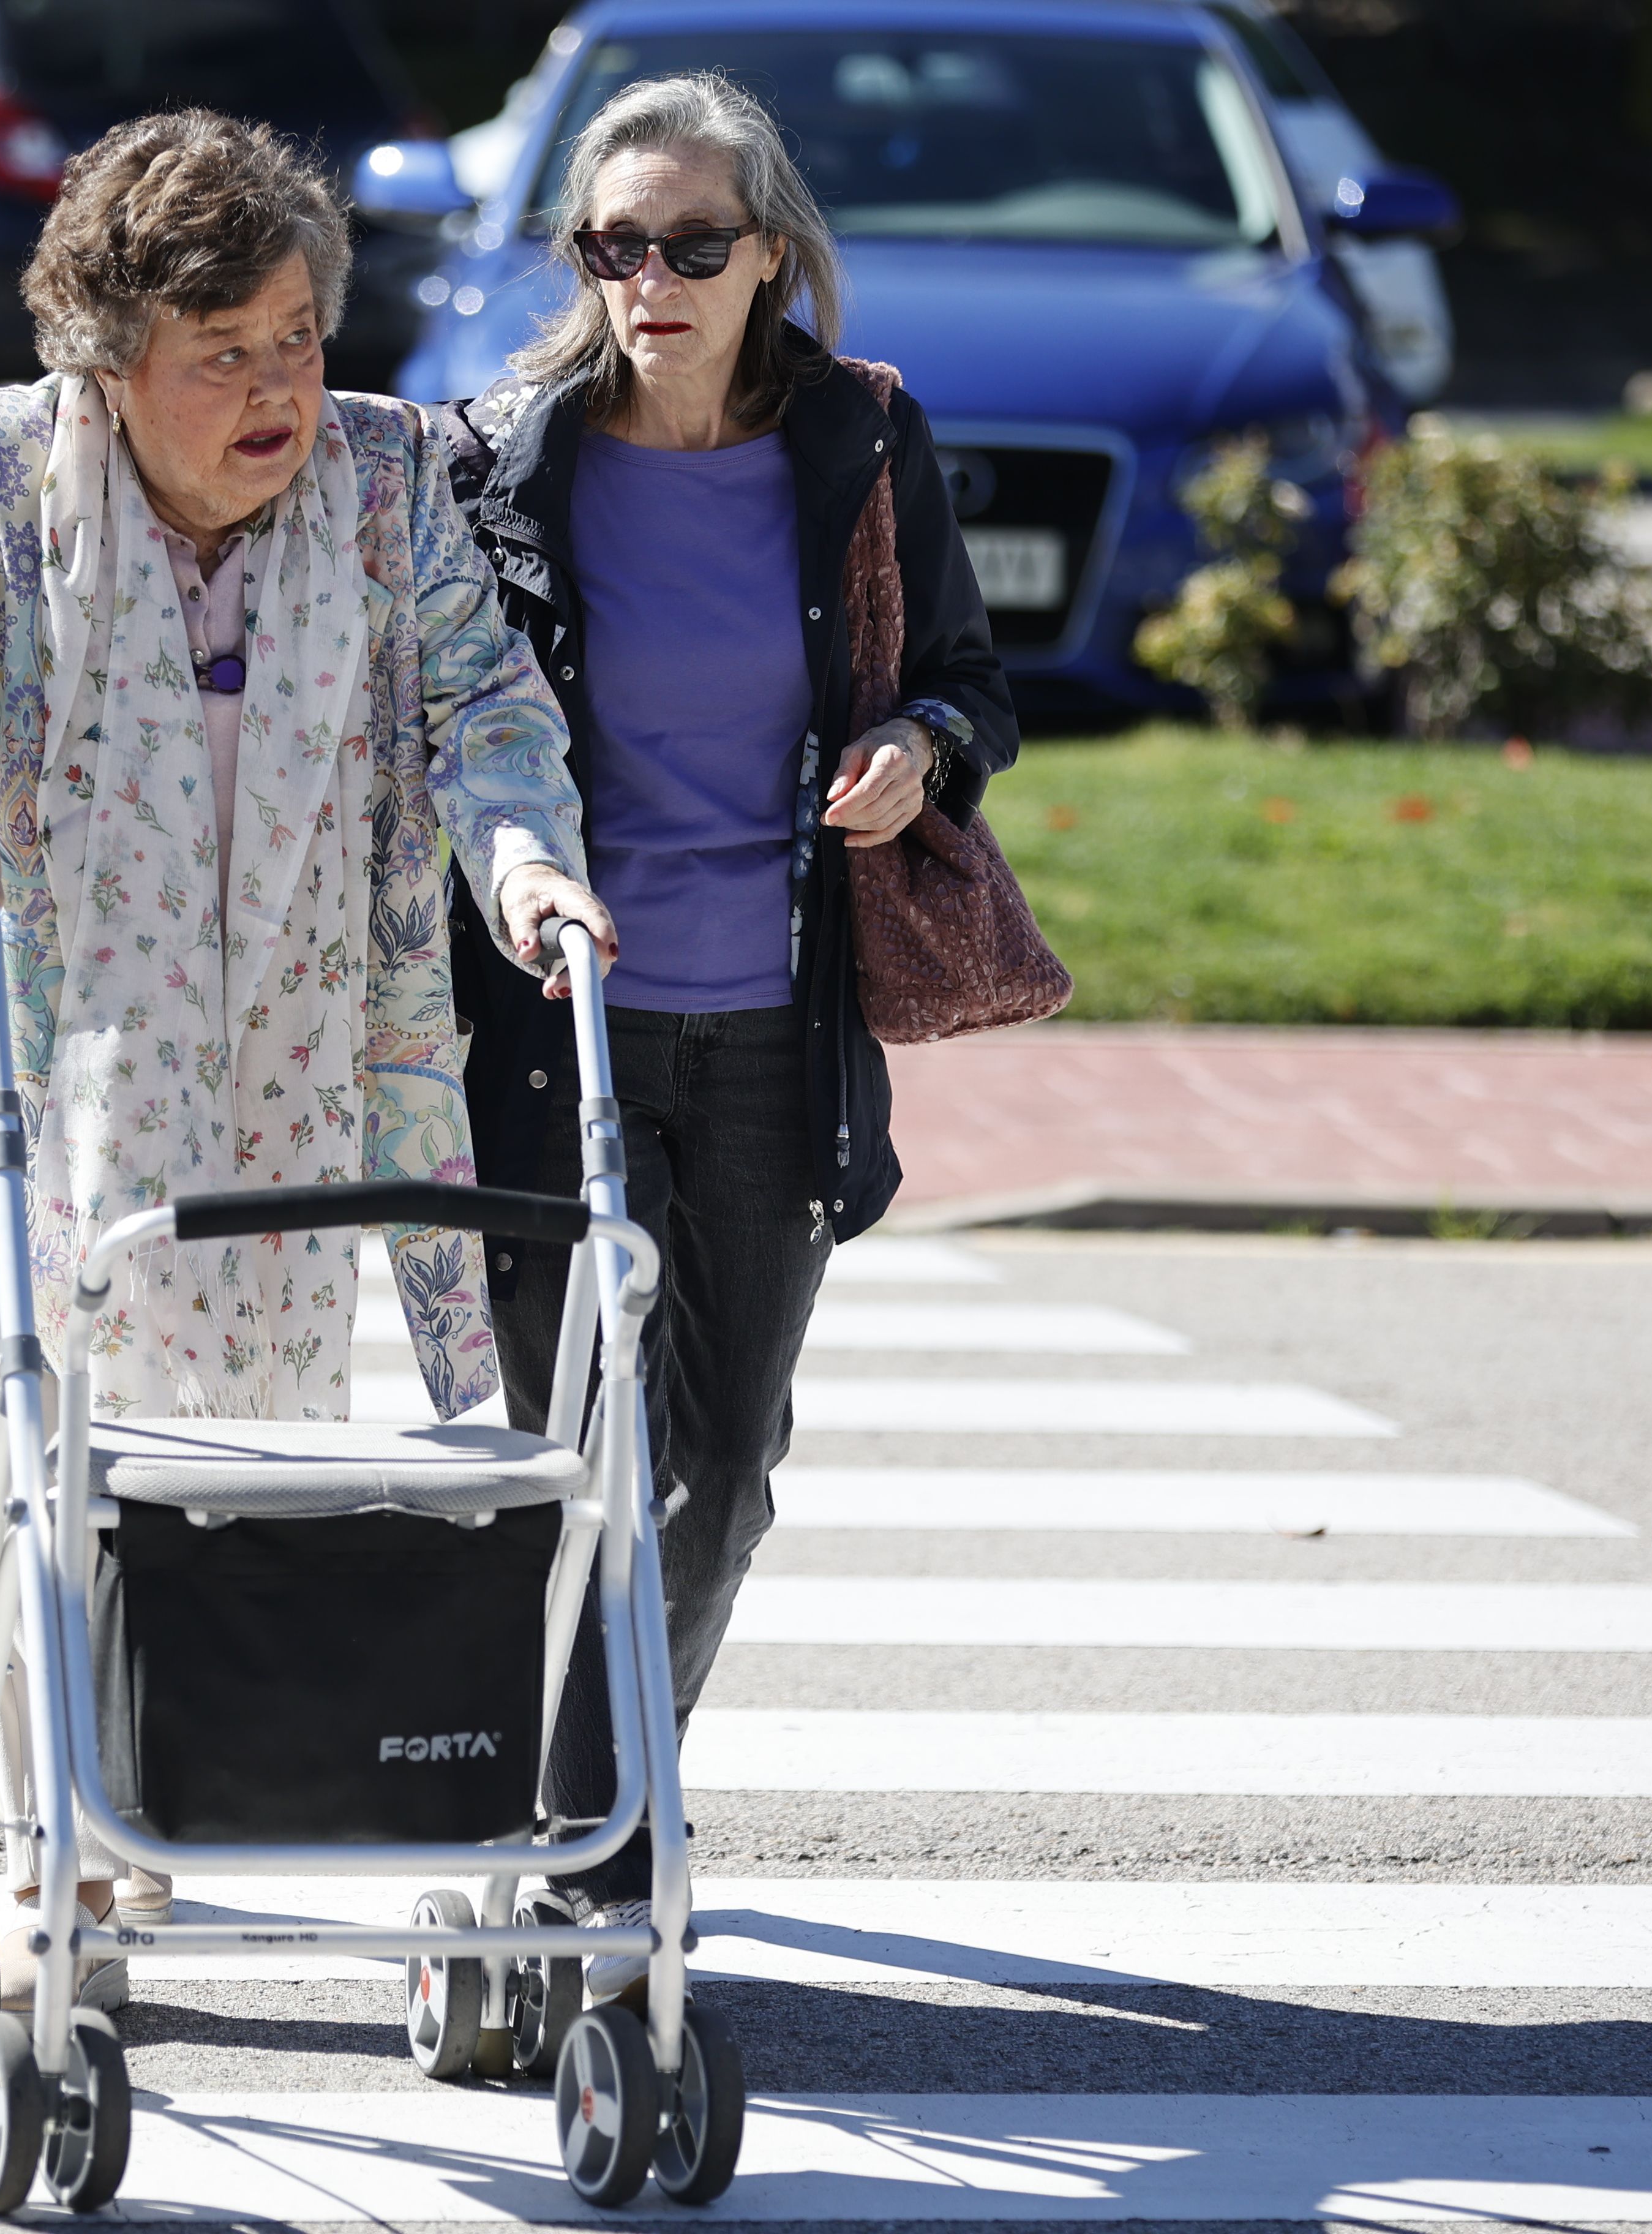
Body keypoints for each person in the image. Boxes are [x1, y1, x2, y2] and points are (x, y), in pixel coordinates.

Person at [0, 109, 611, 2006]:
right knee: (32, 1476)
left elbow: (492, 709)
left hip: (294, 1078)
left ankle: (203, 1804)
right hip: (19, 1084)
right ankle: (58, 1855)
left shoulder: (388, 481)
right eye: (221, 355)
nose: (277, 389)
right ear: (110, 362)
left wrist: (528, 870)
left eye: (298, 339)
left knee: (236, 1486)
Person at [442, 72, 1019, 2001]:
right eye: (615, 245)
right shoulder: (510, 457)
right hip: (559, 1029)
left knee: (727, 1466)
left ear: (771, 255)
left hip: (778, 1019)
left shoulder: (861, 441)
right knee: (569, 1453)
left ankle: (599, 1804)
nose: (654, 279)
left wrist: (914, 749)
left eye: (696, 245)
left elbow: (964, 681)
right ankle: (585, 1853)